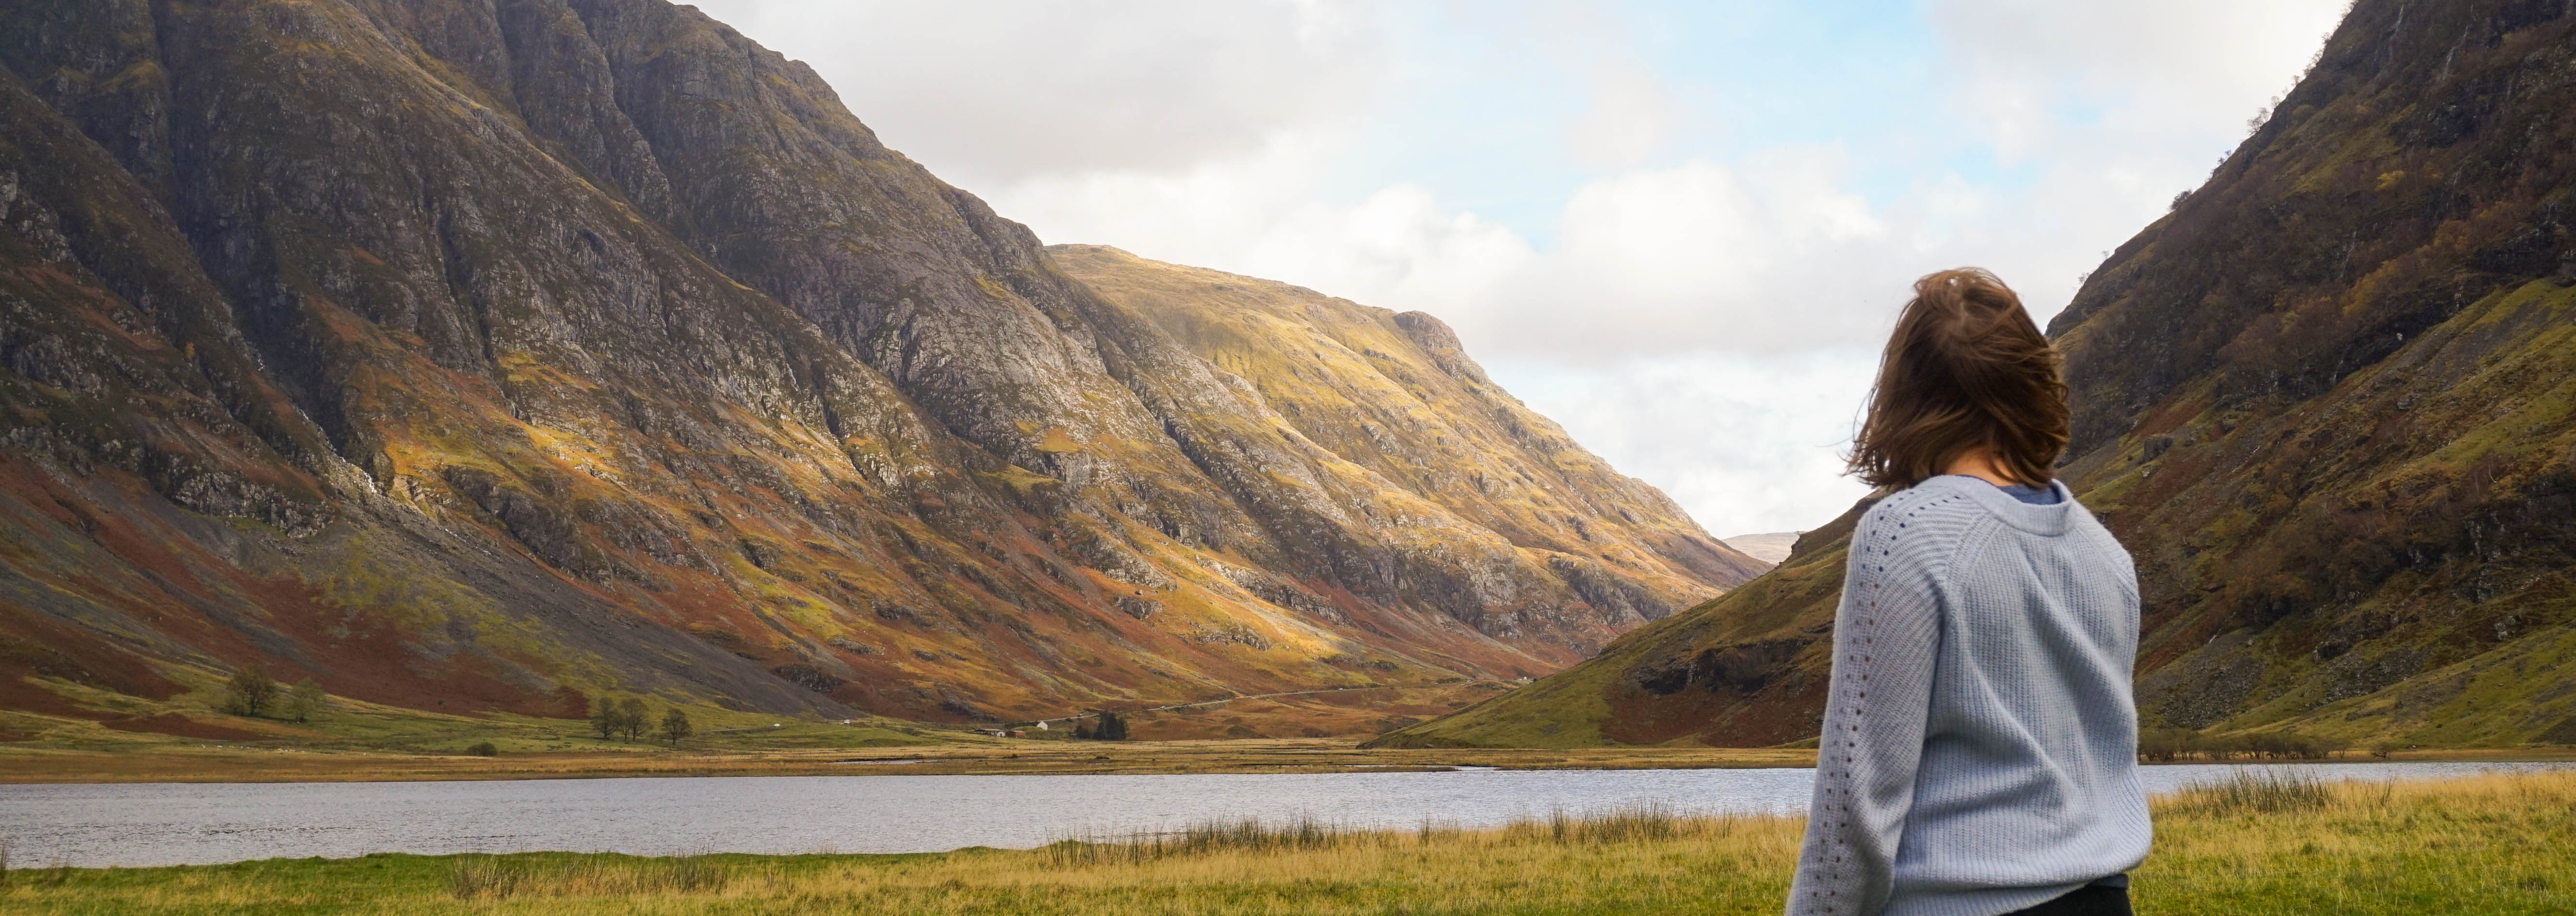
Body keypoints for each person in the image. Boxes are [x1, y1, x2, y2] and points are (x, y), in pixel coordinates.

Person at [1785, 268, 2148, 916]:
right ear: (2035, 387)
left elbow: (1860, 793)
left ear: (1906, 396)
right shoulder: (2105, 554)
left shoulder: (1905, 535)